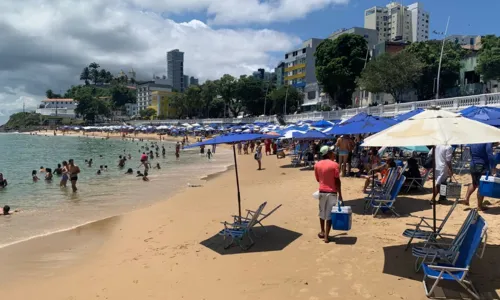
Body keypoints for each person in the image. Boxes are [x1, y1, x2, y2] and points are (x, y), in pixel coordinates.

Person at [314, 145, 342, 243]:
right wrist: (341, 195)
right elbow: (337, 181)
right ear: (328, 153)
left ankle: (322, 231)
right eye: (332, 152)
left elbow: (318, 179)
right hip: (332, 192)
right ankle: (326, 236)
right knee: (329, 214)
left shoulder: (317, 165)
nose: (333, 153)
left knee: (322, 212)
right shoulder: (335, 165)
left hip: (322, 191)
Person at [462, 143, 497, 210]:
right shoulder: (487, 142)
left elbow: (470, 152)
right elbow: (490, 155)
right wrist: (493, 167)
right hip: (482, 165)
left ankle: (466, 198)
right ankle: (479, 206)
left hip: (473, 164)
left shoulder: (475, 141)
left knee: (474, 183)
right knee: (482, 185)